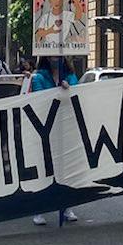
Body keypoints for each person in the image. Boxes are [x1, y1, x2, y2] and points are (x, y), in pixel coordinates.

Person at [27, 58, 78, 226]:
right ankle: (39, 209)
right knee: (44, 170)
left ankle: (67, 207)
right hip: (45, 129)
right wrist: (58, 92)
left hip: (66, 129)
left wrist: (69, 90)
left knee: (66, 170)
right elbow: (40, 100)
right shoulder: (39, 78)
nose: (55, 58)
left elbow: (79, 95)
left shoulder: (70, 76)